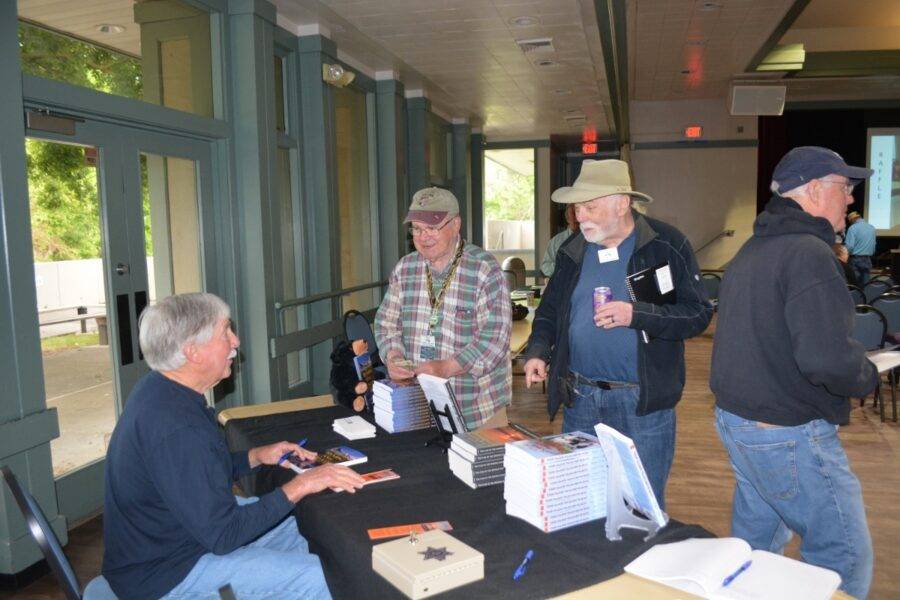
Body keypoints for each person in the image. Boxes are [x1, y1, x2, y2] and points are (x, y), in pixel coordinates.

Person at [102, 293, 365, 600]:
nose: (236, 341)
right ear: (193, 352)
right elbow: (225, 535)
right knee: (325, 579)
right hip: (167, 575)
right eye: (224, 332)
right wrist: (301, 485)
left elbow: (195, 473)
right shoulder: (176, 427)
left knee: (305, 531)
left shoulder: (162, 389)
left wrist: (254, 456)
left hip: (180, 539)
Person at [710, 146, 878, 599]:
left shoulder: (754, 248)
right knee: (842, 558)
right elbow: (825, 360)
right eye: (845, 188)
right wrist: (868, 375)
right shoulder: (807, 253)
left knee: (753, 554)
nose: (850, 199)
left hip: (742, 423)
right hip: (785, 432)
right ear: (815, 190)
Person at [522, 159, 712, 508]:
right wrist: (537, 350)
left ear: (622, 203)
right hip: (580, 398)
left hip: (641, 403)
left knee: (641, 504)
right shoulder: (573, 251)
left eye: (590, 206)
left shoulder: (666, 245)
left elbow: (697, 314)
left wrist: (635, 314)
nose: (580, 216)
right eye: (577, 208)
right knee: (582, 500)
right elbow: (549, 312)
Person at [375, 187, 512, 431]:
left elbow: (494, 342)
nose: (423, 236)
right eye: (417, 228)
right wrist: (393, 356)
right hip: (419, 408)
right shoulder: (405, 269)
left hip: (476, 409)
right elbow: (386, 324)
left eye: (432, 228)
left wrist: (445, 367)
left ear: (456, 224)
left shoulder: (484, 269)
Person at [540, 203, 579, 277]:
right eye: (573, 214)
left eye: (579, 213)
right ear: (567, 218)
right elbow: (545, 267)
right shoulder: (556, 241)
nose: (577, 218)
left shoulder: (592, 239)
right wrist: (562, 268)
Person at [844, 211, 876, 286]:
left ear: (852, 220)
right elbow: (874, 245)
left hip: (855, 259)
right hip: (867, 259)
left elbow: (850, 246)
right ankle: (866, 297)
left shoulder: (853, 228)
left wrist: (844, 256)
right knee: (866, 284)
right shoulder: (871, 227)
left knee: (855, 285)